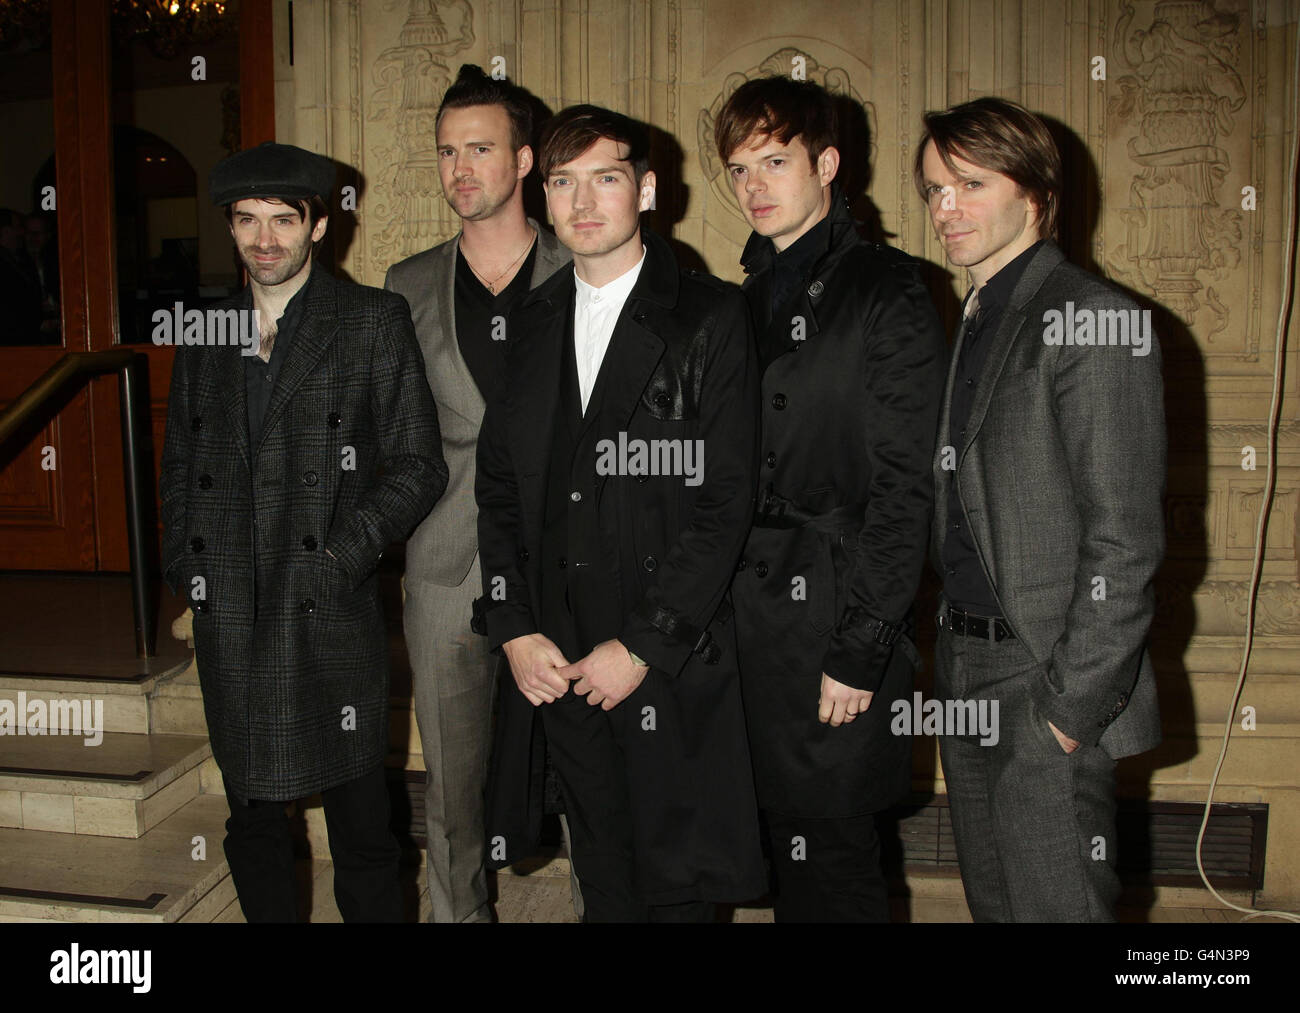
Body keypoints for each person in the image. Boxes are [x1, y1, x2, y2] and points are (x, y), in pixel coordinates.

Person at [475, 104, 765, 921]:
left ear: (645, 191)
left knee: (677, 887)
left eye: (605, 178)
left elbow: (726, 501)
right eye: (562, 182)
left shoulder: (710, 316)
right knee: (600, 876)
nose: (582, 202)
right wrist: (514, 625)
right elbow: (496, 489)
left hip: (665, 653)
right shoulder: (526, 325)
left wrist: (642, 644)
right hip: (556, 655)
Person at [159, 141, 448, 921]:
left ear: (320, 226)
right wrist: (187, 567)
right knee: (250, 819)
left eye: (284, 220)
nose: (264, 239)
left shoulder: (369, 321)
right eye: (247, 220)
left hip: (325, 607)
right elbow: (181, 461)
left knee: (362, 826)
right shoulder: (206, 327)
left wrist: (343, 558)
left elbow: (419, 465)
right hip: (233, 612)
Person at [915, 96, 1164, 921]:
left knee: (1057, 905)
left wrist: (1066, 711)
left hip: (1042, 681)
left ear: (1036, 191)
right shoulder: (981, 312)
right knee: (996, 905)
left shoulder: (1092, 318)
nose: (945, 209)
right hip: (965, 668)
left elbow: (1124, 542)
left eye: (969, 184)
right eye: (934, 190)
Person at [713, 76, 945, 921]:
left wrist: (862, 642)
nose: (754, 186)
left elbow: (905, 485)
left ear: (828, 165)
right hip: (746, 619)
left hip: (837, 612)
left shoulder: (889, 288)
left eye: (774, 161)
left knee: (838, 854)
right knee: (778, 846)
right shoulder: (741, 298)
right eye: (739, 169)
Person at [384, 64, 575, 924]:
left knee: (585, 772)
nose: (461, 168)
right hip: (446, 561)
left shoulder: (589, 264)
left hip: (569, 560)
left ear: (526, 159)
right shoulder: (405, 283)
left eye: (482, 149)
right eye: (447, 152)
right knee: (452, 786)